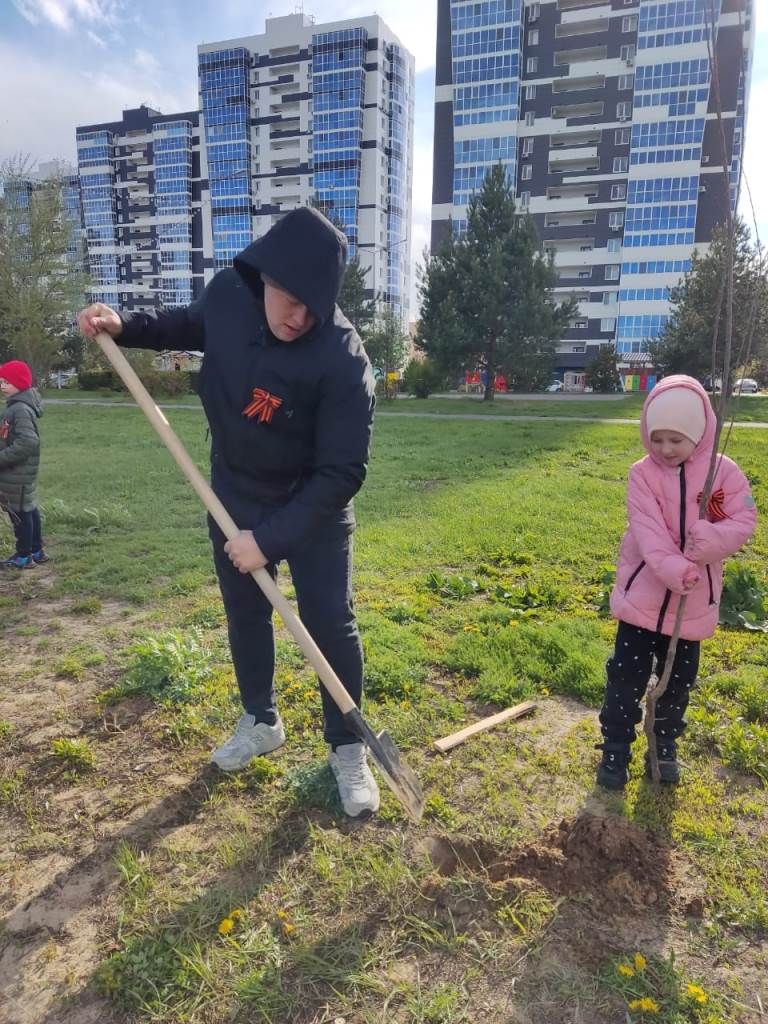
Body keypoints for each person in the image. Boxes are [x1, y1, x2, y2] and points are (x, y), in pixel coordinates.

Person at [77, 207, 379, 817]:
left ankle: (348, 747)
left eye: (313, 307)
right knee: (246, 616)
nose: (300, 317)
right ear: (265, 277)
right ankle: (261, 720)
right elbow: (187, 324)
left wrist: (269, 540)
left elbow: (342, 472)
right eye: (291, 300)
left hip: (311, 509)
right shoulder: (228, 296)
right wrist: (125, 324)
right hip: (233, 494)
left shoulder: (344, 359)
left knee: (329, 624)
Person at [596, 374, 757, 790]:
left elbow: (743, 519)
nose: (665, 449)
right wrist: (673, 567)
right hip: (644, 598)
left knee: (678, 682)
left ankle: (663, 744)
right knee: (625, 677)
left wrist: (713, 541)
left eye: (676, 440)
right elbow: (647, 531)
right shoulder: (642, 474)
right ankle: (615, 747)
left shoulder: (723, 473)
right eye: (658, 439)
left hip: (694, 603)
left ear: (699, 434)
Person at [0, 359, 48, 569]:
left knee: (19, 514)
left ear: (19, 383)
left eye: (6, 382)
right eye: (0, 381)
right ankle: (36, 551)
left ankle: (23, 556)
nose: (2, 385)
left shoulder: (19, 409)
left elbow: (28, 442)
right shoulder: (18, 406)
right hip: (20, 472)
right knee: (28, 509)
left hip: (16, 472)